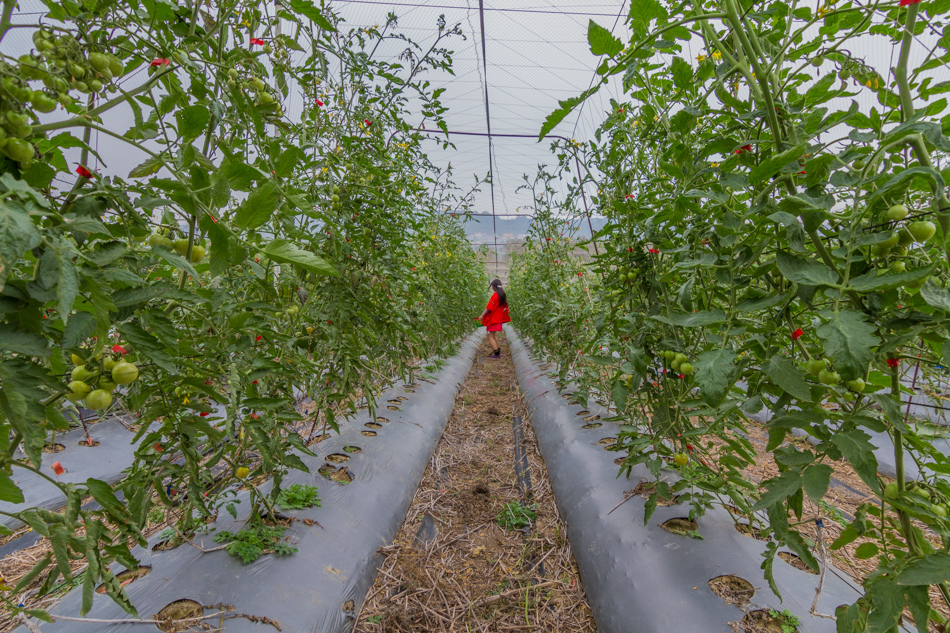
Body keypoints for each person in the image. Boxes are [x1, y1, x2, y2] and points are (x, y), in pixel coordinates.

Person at [477, 278, 511, 358]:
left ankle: (497, 353)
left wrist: (482, 315)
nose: (492, 288)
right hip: (498, 319)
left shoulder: (495, 296)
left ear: (494, 287)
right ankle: (498, 351)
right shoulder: (502, 295)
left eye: (492, 286)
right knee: (493, 335)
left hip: (494, 319)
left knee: (490, 336)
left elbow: (489, 307)